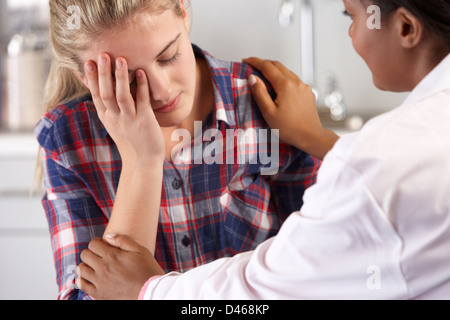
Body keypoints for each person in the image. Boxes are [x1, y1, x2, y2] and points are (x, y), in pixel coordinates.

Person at [77, 0, 450, 299]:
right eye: (126, 80)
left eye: (350, 15)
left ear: (405, 28)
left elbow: (284, 286)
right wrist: (317, 139)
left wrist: (149, 292)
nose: (158, 91)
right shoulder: (66, 136)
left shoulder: (375, 160)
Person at [35, 0, 320, 300]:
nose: (162, 91)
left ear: (183, 12)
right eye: (129, 79)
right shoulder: (66, 143)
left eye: (168, 56)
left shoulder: (263, 104)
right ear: (86, 77)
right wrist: (140, 162)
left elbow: (319, 261)